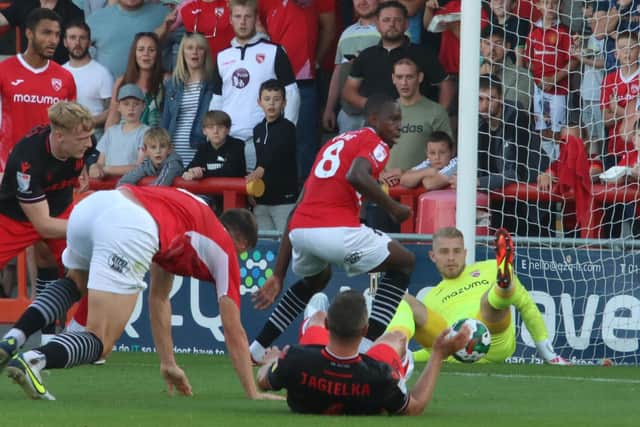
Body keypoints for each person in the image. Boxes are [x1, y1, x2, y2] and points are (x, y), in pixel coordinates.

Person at [0, 186, 279, 401]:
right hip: (129, 222)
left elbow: (159, 298)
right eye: (242, 252)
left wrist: (168, 362)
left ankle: (13, 338)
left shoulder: (189, 214)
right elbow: (233, 329)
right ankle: (34, 359)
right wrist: (251, 392)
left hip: (96, 205)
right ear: (241, 242)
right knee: (101, 341)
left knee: (75, 283)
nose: (238, 258)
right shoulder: (224, 247)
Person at [249, 93, 415, 364]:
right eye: (393, 119)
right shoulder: (375, 142)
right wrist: (393, 208)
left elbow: (296, 209)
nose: (399, 125)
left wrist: (278, 274)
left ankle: (256, 350)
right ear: (373, 119)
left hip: (301, 231)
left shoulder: (334, 143)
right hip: (335, 230)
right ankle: (361, 352)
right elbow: (357, 175)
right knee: (405, 262)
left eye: (401, 120)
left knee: (316, 279)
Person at [256, 290, 471, 415]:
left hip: (314, 360)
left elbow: (263, 381)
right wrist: (437, 356)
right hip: (366, 373)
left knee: (316, 317)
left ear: (330, 326)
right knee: (397, 338)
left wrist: (272, 360)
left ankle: (319, 316)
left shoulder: (293, 358)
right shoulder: (383, 377)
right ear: (365, 330)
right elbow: (414, 406)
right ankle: (384, 358)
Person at [389, 226, 571, 365]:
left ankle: (503, 285)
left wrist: (549, 354)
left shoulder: (490, 267)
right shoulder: (431, 297)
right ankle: (389, 353)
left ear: (465, 253)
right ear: (432, 256)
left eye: (457, 251)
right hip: (454, 350)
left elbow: (526, 305)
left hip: (494, 340)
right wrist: (411, 355)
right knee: (404, 300)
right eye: (444, 252)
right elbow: (433, 348)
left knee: (490, 300)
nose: (451, 257)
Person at [0, 101, 93, 285]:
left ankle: (50, 313)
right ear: (59, 136)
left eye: (89, 137)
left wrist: (83, 170)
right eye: (82, 139)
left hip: (60, 208)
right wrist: (91, 228)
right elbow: (44, 226)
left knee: (81, 274)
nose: (89, 143)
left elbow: (85, 155)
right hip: (15, 219)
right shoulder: (27, 161)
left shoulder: (85, 143)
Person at [208, 0, 300, 171]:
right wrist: (213, 134)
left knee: (259, 195)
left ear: (256, 18)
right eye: (238, 16)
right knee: (226, 195)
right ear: (230, 19)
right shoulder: (222, 57)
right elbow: (217, 100)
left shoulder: (274, 51)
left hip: (261, 140)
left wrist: (283, 133)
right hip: (227, 141)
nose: (242, 22)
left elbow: (292, 93)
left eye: (247, 16)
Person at [342, 1, 453, 132]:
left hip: (415, 126)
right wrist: (371, 105)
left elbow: (446, 85)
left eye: (397, 20)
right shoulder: (366, 55)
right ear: (377, 25)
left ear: (406, 24)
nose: (391, 24)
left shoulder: (423, 54)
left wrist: (438, 118)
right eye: (386, 20)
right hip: (375, 125)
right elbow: (348, 90)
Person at [0, 8, 77, 172]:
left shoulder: (65, 77)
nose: (53, 40)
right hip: (8, 167)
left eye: (57, 34)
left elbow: (71, 127)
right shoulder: (3, 71)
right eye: (47, 33)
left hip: (50, 171)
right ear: (29, 33)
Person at [246, 79, 299, 233]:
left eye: (277, 99)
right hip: (261, 199)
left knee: (283, 242)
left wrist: (260, 170)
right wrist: (251, 191)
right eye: (267, 99)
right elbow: (259, 160)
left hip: (284, 199)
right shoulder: (258, 130)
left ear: (284, 103)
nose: (272, 104)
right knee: (263, 244)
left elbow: (277, 151)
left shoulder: (288, 128)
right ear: (259, 102)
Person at [322, 0, 381, 133]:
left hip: (379, 113)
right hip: (348, 114)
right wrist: (329, 109)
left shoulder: (390, 29)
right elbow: (338, 72)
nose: (363, 2)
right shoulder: (346, 33)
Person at [386, 57, 451, 172]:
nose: (404, 82)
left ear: (420, 77)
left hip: (422, 184)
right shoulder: (384, 111)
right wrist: (380, 173)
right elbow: (372, 150)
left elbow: (447, 154)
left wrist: (408, 174)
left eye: (409, 77)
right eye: (399, 77)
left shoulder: (436, 111)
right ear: (393, 79)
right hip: (386, 185)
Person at [161, 32, 215, 167]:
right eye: (190, 48)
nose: (194, 52)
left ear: (205, 53)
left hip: (200, 148)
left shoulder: (213, 83)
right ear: (182, 52)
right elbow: (165, 120)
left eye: (200, 48)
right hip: (173, 150)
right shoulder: (173, 84)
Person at [524, 0, 574, 142]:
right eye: (546, 3)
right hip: (539, 90)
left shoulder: (564, 31)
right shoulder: (533, 31)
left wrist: (554, 79)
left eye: (554, 3)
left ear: (561, 6)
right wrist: (540, 80)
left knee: (558, 133)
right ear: (538, 6)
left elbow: (574, 60)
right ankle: (548, 163)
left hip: (559, 90)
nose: (551, 7)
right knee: (542, 131)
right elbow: (528, 60)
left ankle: (559, 161)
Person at [86, 0, 169, 79]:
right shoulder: (96, 19)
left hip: (154, 91)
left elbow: (181, 45)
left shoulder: (165, 14)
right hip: (107, 91)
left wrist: (173, 76)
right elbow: (78, 56)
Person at [62, 20, 115, 140]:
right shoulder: (58, 73)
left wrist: (89, 122)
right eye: (72, 38)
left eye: (82, 38)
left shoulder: (102, 73)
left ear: (89, 42)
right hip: (65, 140)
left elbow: (112, 110)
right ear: (65, 42)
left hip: (94, 138)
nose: (77, 42)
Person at [105, 32, 165, 129]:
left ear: (157, 54)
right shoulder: (122, 81)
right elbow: (113, 119)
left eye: (151, 50)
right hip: (125, 140)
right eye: (141, 49)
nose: (146, 54)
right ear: (134, 53)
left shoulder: (166, 80)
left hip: (154, 141)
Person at [90, 84, 149, 179]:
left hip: (132, 185)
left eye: (136, 104)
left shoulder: (147, 132)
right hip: (108, 187)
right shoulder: (111, 132)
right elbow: (100, 162)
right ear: (118, 107)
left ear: (143, 106)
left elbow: (140, 167)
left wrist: (107, 169)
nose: (131, 108)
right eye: (126, 104)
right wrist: (94, 167)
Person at [0, 1, 84, 65]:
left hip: (59, 71)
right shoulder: (24, 4)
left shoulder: (73, 12)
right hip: (28, 70)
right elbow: (2, 18)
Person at [181, 110, 246, 181]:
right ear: (204, 131)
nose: (215, 131)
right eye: (211, 127)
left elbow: (230, 171)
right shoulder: (203, 148)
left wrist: (203, 173)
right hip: (209, 191)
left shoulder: (237, 145)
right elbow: (190, 168)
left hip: (233, 191)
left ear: (228, 130)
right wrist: (190, 172)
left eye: (220, 127)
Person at [118, 127, 184, 186]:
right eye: (153, 147)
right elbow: (123, 182)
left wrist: (141, 194)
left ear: (170, 149)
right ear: (145, 151)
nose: (158, 151)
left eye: (162, 146)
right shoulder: (146, 165)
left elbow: (160, 185)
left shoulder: (173, 164)